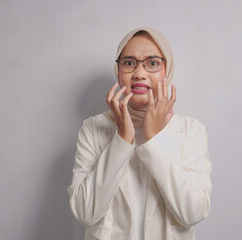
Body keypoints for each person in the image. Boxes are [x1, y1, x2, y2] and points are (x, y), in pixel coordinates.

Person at [67, 27, 212, 240]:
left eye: (152, 63)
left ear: (167, 69)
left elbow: (192, 213)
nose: (139, 74)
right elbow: (85, 212)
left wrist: (155, 138)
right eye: (129, 63)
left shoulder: (191, 131)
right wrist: (122, 139)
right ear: (118, 70)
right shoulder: (93, 129)